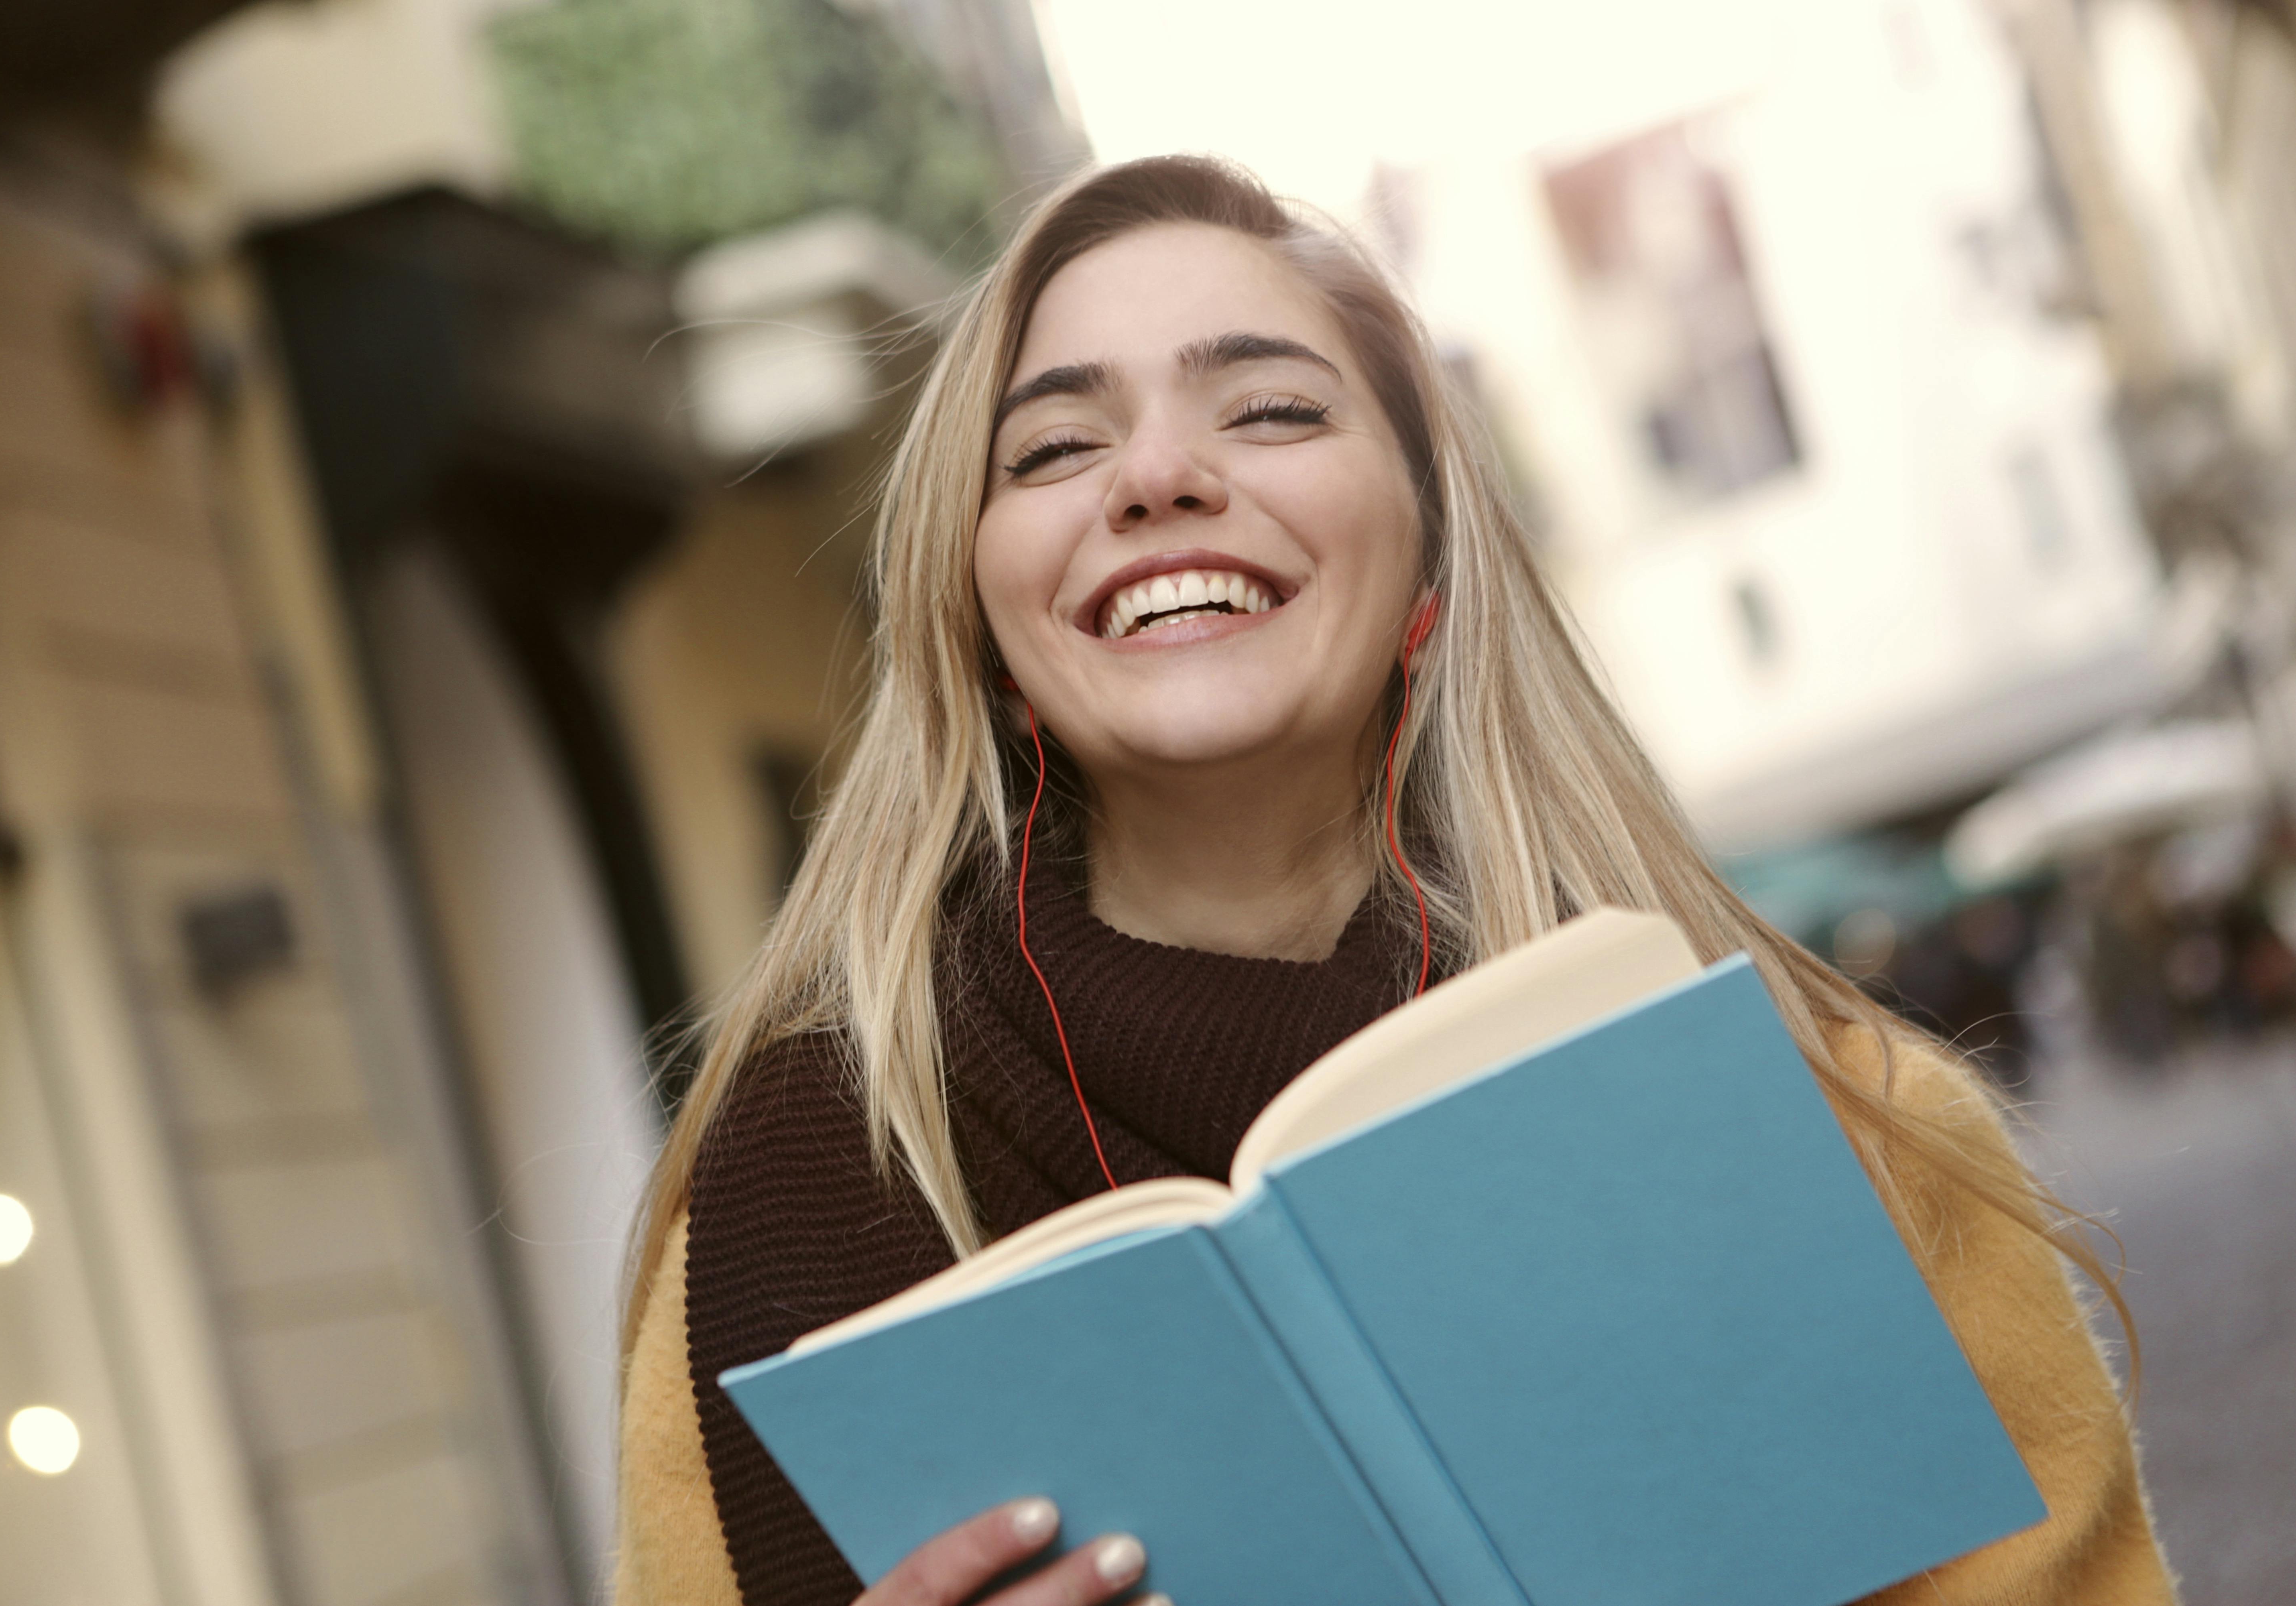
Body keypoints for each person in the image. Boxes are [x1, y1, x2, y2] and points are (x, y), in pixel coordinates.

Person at [613, 156, 2175, 1606]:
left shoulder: (1844, 1130)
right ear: (981, 618)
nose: (1155, 474)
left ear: (1428, 562)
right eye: (1056, 445)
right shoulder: (781, 1206)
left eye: (1272, 410)